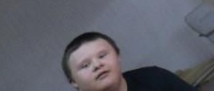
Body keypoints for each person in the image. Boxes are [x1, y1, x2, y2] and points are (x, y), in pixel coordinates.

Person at [62, 32, 196, 91]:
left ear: (118, 56)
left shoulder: (154, 78)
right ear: (74, 82)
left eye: (102, 56)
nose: (97, 65)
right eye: (85, 65)